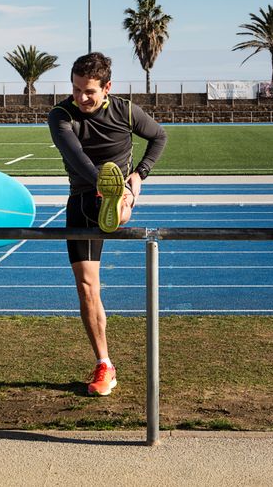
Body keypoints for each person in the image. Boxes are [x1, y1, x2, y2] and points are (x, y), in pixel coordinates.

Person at [47, 52, 167, 395]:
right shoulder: (61, 115)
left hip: (120, 191)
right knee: (87, 288)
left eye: (89, 91)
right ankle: (104, 364)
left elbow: (159, 136)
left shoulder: (126, 111)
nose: (81, 97)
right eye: (76, 89)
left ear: (107, 88)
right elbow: (76, 157)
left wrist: (139, 175)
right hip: (83, 199)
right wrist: (102, 184)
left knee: (118, 202)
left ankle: (120, 204)